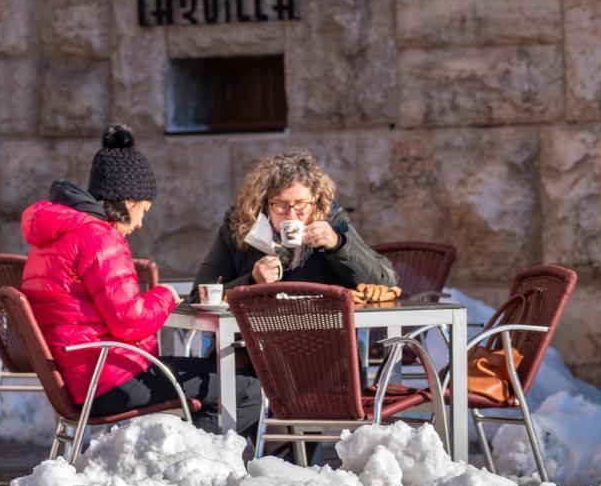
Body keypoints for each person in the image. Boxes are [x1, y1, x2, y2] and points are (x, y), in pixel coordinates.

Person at [21, 124, 262, 435]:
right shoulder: (100, 239)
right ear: (129, 201)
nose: (140, 223)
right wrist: (164, 295)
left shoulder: (55, 237)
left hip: (82, 375)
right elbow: (129, 321)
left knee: (221, 380)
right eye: (144, 211)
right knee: (243, 388)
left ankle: (189, 462)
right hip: (108, 378)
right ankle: (205, 470)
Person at [195, 150, 397, 291]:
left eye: (301, 204)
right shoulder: (239, 230)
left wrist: (337, 246)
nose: (291, 215)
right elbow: (201, 295)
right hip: (252, 347)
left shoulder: (332, 224)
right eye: (281, 205)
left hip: (324, 343)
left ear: (316, 203)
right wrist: (251, 281)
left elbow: (386, 282)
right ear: (264, 205)